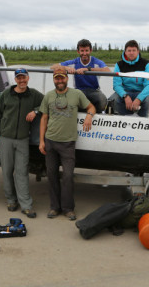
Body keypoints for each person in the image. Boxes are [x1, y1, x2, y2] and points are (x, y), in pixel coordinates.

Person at [39, 66, 95, 221]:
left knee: (68, 176)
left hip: (68, 143)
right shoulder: (48, 96)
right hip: (50, 142)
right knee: (51, 175)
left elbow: (91, 106)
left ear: (67, 78)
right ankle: (54, 207)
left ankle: (68, 208)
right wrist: (41, 141)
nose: (60, 80)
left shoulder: (77, 94)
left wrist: (89, 116)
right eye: (57, 78)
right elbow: (44, 118)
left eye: (62, 77)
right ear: (54, 79)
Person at [0, 68, 44, 218]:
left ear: (28, 78)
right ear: (15, 79)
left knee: (22, 172)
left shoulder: (33, 94)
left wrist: (36, 111)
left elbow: (47, 102)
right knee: (7, 171)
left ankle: (26, 205)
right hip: (5, 138)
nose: (22, 81)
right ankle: (11, 200)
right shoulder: (6, 94)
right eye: (19, 78)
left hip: (22, 140)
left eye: (24, 78)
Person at [51, 39, 110, 112]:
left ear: (90, 51)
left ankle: (96, 115)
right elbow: (53, 66)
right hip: (79, 91)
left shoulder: (96, 62)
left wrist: (88, 69)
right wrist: (67, 68)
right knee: (70, 101)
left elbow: (107, 70)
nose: (84, 53)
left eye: (86, 50)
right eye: (82, 51)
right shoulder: (74, 62)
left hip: (94, 91)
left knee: (102, 101)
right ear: (78, 51)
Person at [112, 40, 149, 117]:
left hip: (141, 92)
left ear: (138, 51)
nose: (131, 53)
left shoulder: (146, 64)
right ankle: (125, 117)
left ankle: (142, 118)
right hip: (126, 92)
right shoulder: (119, 65)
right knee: (114, 99)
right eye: (129, 50)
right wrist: (125, 96)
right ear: (125, 52)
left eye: (134, 50)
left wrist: (139, 98)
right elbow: (116, 85)